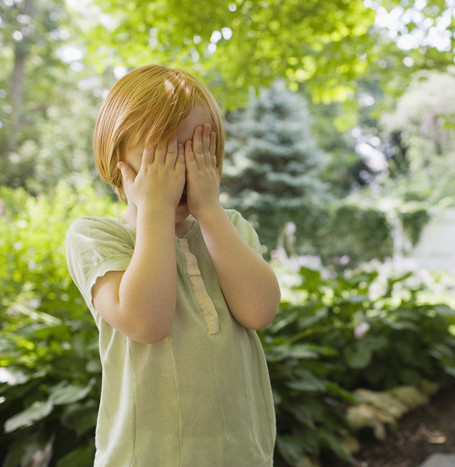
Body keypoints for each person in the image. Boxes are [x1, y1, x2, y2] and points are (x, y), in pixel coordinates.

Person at [65, 64, 280, 466]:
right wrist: (156, 210)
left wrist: (211, 212)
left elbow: (260, 310)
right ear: (118, 164)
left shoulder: (227, 227)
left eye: (196, 149)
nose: (180, 169)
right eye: (161, 155)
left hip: (241, 455)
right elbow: (147, 321)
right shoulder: (95, 236)